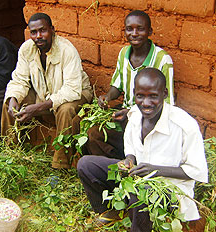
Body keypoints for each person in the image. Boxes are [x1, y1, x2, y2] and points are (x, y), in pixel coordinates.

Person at [77, 68, 208, 231]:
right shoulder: (135, 115)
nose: (146, 103)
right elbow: (130, 146)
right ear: (134, 93)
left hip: (170, 190)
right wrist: (129, 160)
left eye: (153, 96)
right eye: (140, 96)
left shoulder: (184, 126)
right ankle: (112, 212)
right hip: (139, 179)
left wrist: (155, 170)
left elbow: (196, 171)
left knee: (140, 193)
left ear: (164, 93)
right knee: (87, 165)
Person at [1, 13, 93, 169]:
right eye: (33, 32)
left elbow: (71, 90)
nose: (38, 36)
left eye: (42, 31)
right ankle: (9, 155)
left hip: (78, 93)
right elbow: (19, 79)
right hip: (45, 95)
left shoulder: (67, 50)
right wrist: (13, 98)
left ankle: (61, 165)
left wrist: (38, 107)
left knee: (65, 109)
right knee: (8, 103)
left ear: (52, 30)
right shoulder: (26, 49)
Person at [82, 10, 174, 159]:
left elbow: (167, 104)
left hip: (149, 118)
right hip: (124, 113)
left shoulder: (162, 59)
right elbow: (117, 86)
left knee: (140, 145)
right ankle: (115, 169)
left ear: (149, 31)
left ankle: (131, 166)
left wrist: (133, 113)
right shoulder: (124, 53)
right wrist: (107, 97)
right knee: (93, 133)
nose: (134, 33)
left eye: (140, 29)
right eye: (129, 29)